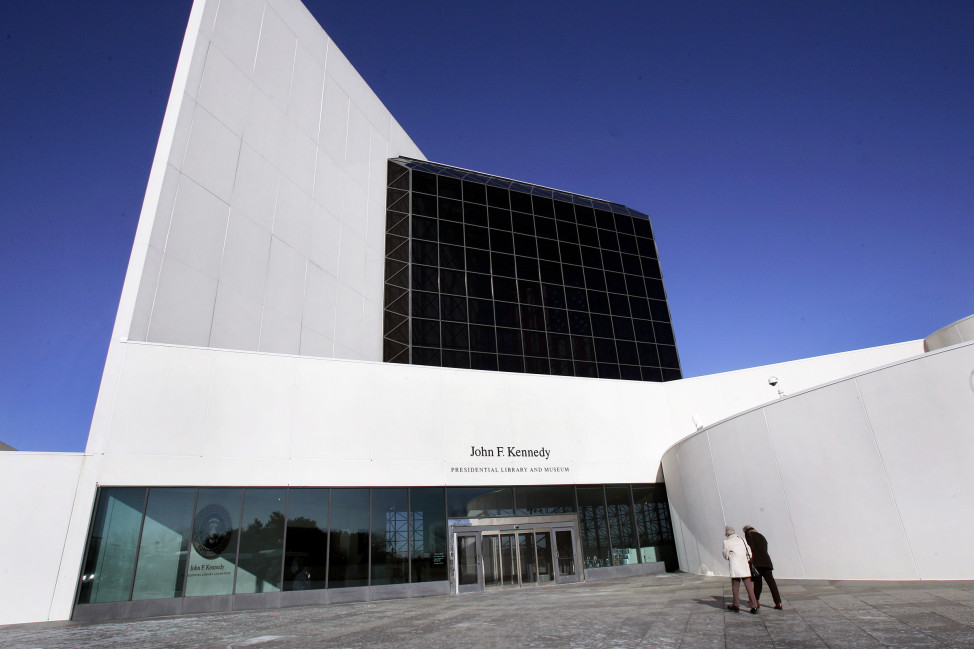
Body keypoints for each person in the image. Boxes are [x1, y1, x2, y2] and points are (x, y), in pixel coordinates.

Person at [743, 525, 783, 610]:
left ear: (746, 531)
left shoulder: (748, 535)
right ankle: (778, 603)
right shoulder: (762, 536)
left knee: (758, 583)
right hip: (767, 562)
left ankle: (755, 601)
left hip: (757, 562)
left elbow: (750, 548)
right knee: (772, 583)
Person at [722, 526, 758, 613]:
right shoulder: (742, 540)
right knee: (749, 587)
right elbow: (749, 551)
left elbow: (725, 554)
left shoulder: (726, 542)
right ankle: (754, 606)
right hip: (744, 565)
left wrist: (730, 556)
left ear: (726, 534)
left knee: (735, 586)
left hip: (735, 566)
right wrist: (746, 559)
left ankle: (736, 605)